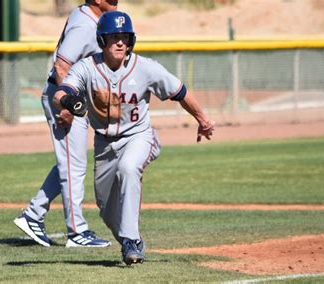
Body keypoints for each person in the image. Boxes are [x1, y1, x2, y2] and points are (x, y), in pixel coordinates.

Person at [53, 11, 215, 265]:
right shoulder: (87, 67)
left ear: (131, 41)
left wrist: (203, 120)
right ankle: (134, 241)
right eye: (114, 36)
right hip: (105, 144)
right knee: (106, 209)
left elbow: (179, 91)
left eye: (125, 37)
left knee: (129, 168)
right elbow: (61, 91)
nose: (120, 42)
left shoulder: (146, 68)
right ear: (101, 40)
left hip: (140, 136)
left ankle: (129, 241)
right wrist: (69, 101)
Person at [14, 0, 119, 248]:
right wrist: (67, 106)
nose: (116, 1)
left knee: (70, 161)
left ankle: (33, 214)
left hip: (72, 97)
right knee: (74, 165)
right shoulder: (85, 24)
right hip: (64, 97)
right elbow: (62, 66)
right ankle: (76, 231)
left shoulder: (88, 16)